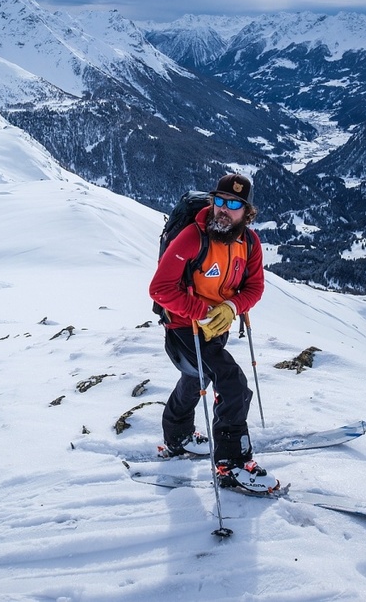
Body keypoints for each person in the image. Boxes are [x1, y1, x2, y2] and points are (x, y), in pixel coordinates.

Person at [148, 173, 277, 492]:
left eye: (234, 204)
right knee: (233, 384)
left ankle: (176, 439)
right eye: (219, 200)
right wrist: (203, 312)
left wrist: (231, 308)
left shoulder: (249, 243)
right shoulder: (193, 238)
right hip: (184, 326)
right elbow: (159, 288)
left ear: (246, 213)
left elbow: (254, 287)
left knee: (196, 377)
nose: (224, 208)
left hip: (218, 326)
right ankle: (231, 462)